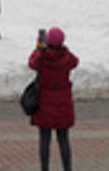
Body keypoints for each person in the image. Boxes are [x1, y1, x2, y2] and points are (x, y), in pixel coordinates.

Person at [29, 26, 79, 171]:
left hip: (45, 101)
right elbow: (75, 62)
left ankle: (44, 168)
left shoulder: (42, 57)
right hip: (63, 102)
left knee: (45, 139)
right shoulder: (66, 57)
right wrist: (64, 49)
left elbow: (32, 64)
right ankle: (67, 167)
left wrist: (39, 49)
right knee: (63, 139)